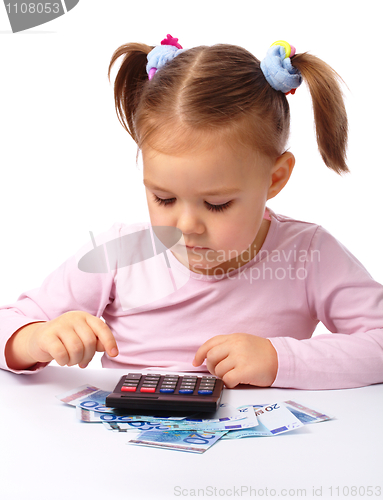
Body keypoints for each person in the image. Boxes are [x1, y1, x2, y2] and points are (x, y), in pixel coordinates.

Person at [1, 35, 382, 390]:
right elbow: (8, 324)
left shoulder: (308, 254)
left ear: (275, 178)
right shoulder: (120, 254)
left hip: (258, 458)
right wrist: (34, 339)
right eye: (164, 199)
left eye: (217, 204)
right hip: (129, 450)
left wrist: (279, 360)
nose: (186, 226)